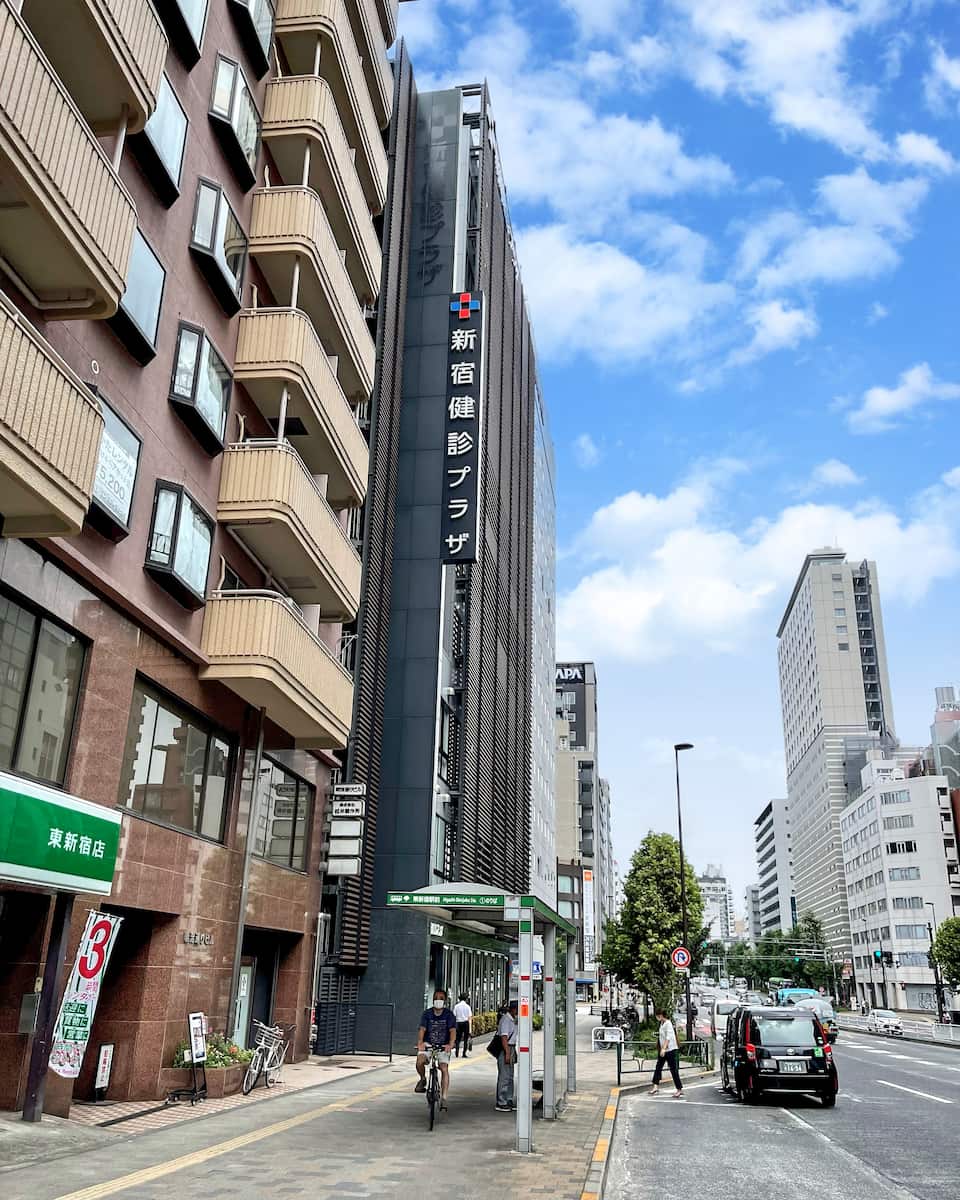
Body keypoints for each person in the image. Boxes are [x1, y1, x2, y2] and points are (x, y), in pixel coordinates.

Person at [415, 988, 457, 1108]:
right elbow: (422, 1029)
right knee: (419, 1062)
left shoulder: (449, 1015)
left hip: (443, 1046)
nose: (438, 1000)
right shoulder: (427, 1014)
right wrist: (420, 1042)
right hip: (428, 1044)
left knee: (444, 1068)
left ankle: (444, 1097)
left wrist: (451, 1044)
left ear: (445, 1001)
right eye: (435, 998)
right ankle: (423, 1079)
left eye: (441, 998)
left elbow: (452, 1030)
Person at [649, 1008, 683, 1098]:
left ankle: (679, 1089)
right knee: (658, 1067)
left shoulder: (668, 1024)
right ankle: (655, 1086)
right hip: (663, 1050)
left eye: (657, 1016)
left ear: (660, 1015)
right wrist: (661, 1049)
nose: (657, 1017)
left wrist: (663, 1048)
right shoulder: (661, 1023)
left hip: (670, 1050)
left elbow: (668, 1038)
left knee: (673, 1070)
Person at [495, 999, 518, 1112]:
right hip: (506, 1048)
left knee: (510, 1076)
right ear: (513, 1009)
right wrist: (508, 1053)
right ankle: (501, 1101)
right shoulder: (506, 1020)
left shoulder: (513, 1020)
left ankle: (508, 1099)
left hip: (511, 1048)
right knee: (504, 1076)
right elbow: (504, 1037)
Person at [453, 991, 473, 1057]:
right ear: (466, 999)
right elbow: (469, 1018)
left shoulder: (456, 1006)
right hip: (466, 1023)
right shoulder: (468, 1007)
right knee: (465, 1039)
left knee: (457, 1038)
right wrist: (470, 1030)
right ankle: (464, 1054)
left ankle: (457, 1052)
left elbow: (454, 1016)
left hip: (458, 1023)